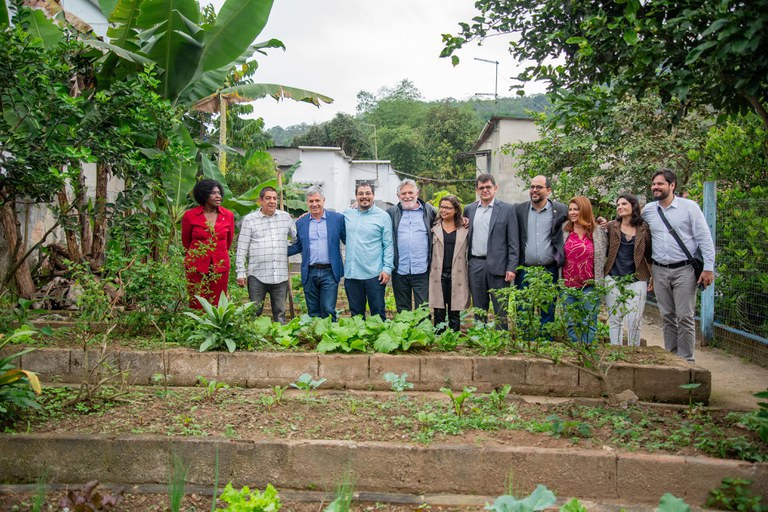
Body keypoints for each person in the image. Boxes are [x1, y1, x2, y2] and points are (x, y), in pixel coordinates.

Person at [642, 169, 715, 363]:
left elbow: (704, 238)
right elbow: (634, 228)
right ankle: (672, 358)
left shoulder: (689, 207)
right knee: (667, 316)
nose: (655, 187)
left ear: (672, 185)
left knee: (685, 316)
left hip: (684, 270)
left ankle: (687, 361)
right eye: (654, 184)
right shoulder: (649, 210)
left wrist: (708, 268)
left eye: (660, 184)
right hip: (659, 269)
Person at [464, 174, 518, 328]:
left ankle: (501, 340)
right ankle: (481, 338)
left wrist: (511, 267)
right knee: (479, 308)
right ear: (477, 190)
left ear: (495, 188)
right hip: (475, 264)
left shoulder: (508, 209)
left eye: (488, 187)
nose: (485, 190)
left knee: (501, 308)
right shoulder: (469, 209)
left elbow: (513, 241)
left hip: (499, 266)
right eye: (481, 188)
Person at [236, 186, 297, 324]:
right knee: (254, 312)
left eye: (275, 198)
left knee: (280, 313)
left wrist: (282, 246)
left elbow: (296, 239)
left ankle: (280, 340)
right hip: (257, 275)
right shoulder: (250, 220)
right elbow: (242, 248)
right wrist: (241, 272)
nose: (272, 201)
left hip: (280, 275)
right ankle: (254, 339)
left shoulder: (285, 217)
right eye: (268, 198)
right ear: (260, 201)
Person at [514, 175, 568, 326]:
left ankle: (546, 344)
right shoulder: (519, 209)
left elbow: (579, 219)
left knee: (548, 310)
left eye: (538, 187)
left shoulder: (560, 209)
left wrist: (602, 222)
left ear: (548, 190)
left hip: (549, 269)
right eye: (532, 187)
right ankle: (525, 345)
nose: (534, 190)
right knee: (524, 310)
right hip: (524, 270)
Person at [288, 186, 346, 321]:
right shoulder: (301, 222)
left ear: (324, 200)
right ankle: (315, 338)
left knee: (328, 308)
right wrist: (278, 250)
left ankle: (330, 338)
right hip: (310, 272)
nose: (314, 204)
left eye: (317, 201)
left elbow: (347, 239)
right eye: (311, 201)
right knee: (313, 310)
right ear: (307, 203)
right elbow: (298, 246)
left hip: (330, 271)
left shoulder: (337, 219)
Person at [604, 194, 653, 346]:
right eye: (618, 205)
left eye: (624, 204)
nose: (620, 207)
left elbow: (649, 253)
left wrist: (653, 276)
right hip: (613, 277)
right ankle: (615, 351)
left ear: (633, 206)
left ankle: (634, 351)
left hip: (637, 279)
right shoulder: (611, 226)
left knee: (635, 319)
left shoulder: (643, 228)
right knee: (615, 319)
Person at [181, 179, 236, 309]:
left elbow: (228, 241)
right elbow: (186, 242)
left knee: (218, 301)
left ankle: (215, 328)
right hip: (196, 265)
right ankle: (196, 327)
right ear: (203, 195)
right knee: (197, 300)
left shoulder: (228, 215)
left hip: (220, 266)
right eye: (213, 193)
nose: (218, 196)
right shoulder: (190, 215)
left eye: (219, 193)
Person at [343, 182, 394, 321]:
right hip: (352, 275)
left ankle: (380, 342)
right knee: (356, 316)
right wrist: (308, 214)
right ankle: (360, 342)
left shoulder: (383, 216)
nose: (364, 196)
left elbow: (388, 244)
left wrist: (387, 268)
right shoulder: (347, 214)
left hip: (375, 275)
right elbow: (328, 219)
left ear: (373, 195)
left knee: (378, 315)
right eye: (361, 194)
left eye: (367, 193)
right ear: (356, 196)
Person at [561, 196, 606, 343]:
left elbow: (603, 257)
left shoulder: (597, 232)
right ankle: (575, 354)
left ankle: (587, 352)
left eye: (576, 209)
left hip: (589, 285)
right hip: (568, 285)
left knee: (589, 322)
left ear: (585, 210)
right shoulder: (564, 230)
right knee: (571, 323)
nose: (572, 212)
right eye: (571, 209)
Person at [387, 179, 437, 312]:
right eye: (403, 193)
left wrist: (463, 219)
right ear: (398, 196)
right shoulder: (392, 212)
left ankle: (422, 332)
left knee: (423, 309)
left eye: (410, 192)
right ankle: (406, 332)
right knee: (403, 310)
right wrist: (357, 206)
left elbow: (448, 217)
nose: (407, 196)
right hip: (400, 270)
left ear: (417, 193)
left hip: (422, 270)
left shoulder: (429, 211)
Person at [429, 195, 469, 331]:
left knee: (454, 311)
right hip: (438, 273)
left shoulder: (464, 228)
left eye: (448, 208)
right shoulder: (434, 227)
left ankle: (453, 338)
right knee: (438, 310)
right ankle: (439, 338)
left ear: (456, 210)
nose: (444, 210)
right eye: (442, 207)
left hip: (456, 273)